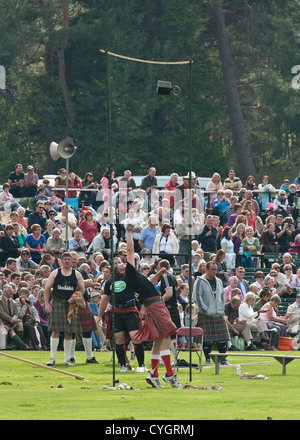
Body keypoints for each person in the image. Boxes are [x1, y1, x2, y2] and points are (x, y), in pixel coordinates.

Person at [44, 252, 85, 366]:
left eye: (69, 259)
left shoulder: (76, 274)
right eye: (65, 259)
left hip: (70, 305)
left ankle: (67, 359)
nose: (67, 261)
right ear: (61, 261)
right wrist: (47, 304)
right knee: (55, 331)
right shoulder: (55, 273)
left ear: (72, 260)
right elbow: (47, 288)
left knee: (69, 332)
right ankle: (52, 358)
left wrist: (75, 297)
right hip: (57, 303)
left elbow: (82, 289)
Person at [192, 261, 229, 366]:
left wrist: (221, 307)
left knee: (222, 338)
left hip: (218, 312)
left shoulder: (219, 281)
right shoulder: (200, 281)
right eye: (212, 269)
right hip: (205, 314)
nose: (214, 271)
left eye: (216, 269)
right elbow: (197, 296)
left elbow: (222, 295)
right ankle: (208, 359)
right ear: (206, 270)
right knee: (206, 339)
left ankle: (223, 359)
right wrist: (204, 309)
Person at [0, 284, 29, 350]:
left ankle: (18, 345)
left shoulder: (12, 301)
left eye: (12, 291)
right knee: (6, 330)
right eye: (10, 291)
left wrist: (14, 318)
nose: (12, 292)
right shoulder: (0, 300)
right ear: (4, 291)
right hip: (3, 322)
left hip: (12, 321)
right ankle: (22, 345)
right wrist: (11, 319)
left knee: (20, 324)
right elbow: (2, 313)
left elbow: (16, 313)